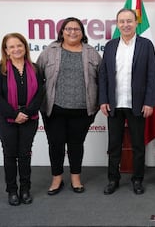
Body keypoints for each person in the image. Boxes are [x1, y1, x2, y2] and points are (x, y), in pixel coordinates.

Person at [37, 17, 102, 195]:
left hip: (82, 109)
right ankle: (57, 178)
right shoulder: (50, 50)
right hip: (54, 109)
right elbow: (37, 75)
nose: (72, 32)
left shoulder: (92, 53)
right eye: (68, 29)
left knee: (76, 144)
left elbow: (102, 79)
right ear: (62, 31)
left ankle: (75, 177)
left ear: (82, 33)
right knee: (55, 144)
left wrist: (99, 104)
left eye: (77, 29)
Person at [99, 8, 155, 195]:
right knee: (114, 145)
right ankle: (112, 179)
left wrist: (149, 102)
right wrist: (103, 100)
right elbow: (103, 76)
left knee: (138, 145)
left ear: (136, 23)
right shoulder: (110, 45)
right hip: (114, 105)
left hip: (137, 104)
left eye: (129, 21)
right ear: (117, 24)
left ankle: (137, 179)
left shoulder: (146, 45)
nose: (126, 25)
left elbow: (151, 75)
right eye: (122, 21)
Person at [0, 33, 44, 206]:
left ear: (25, 47)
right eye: (11, 47)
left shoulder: (36, 69)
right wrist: (14, 115)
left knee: (24, 155)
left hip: (30, 118)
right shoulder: (1, 70)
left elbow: (39, 94)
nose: (16, 49)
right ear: (6, 51)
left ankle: (25, 189)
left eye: (19, 45)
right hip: (6, 119)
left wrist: (27, 113)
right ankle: (12, 191)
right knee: (9, 155)